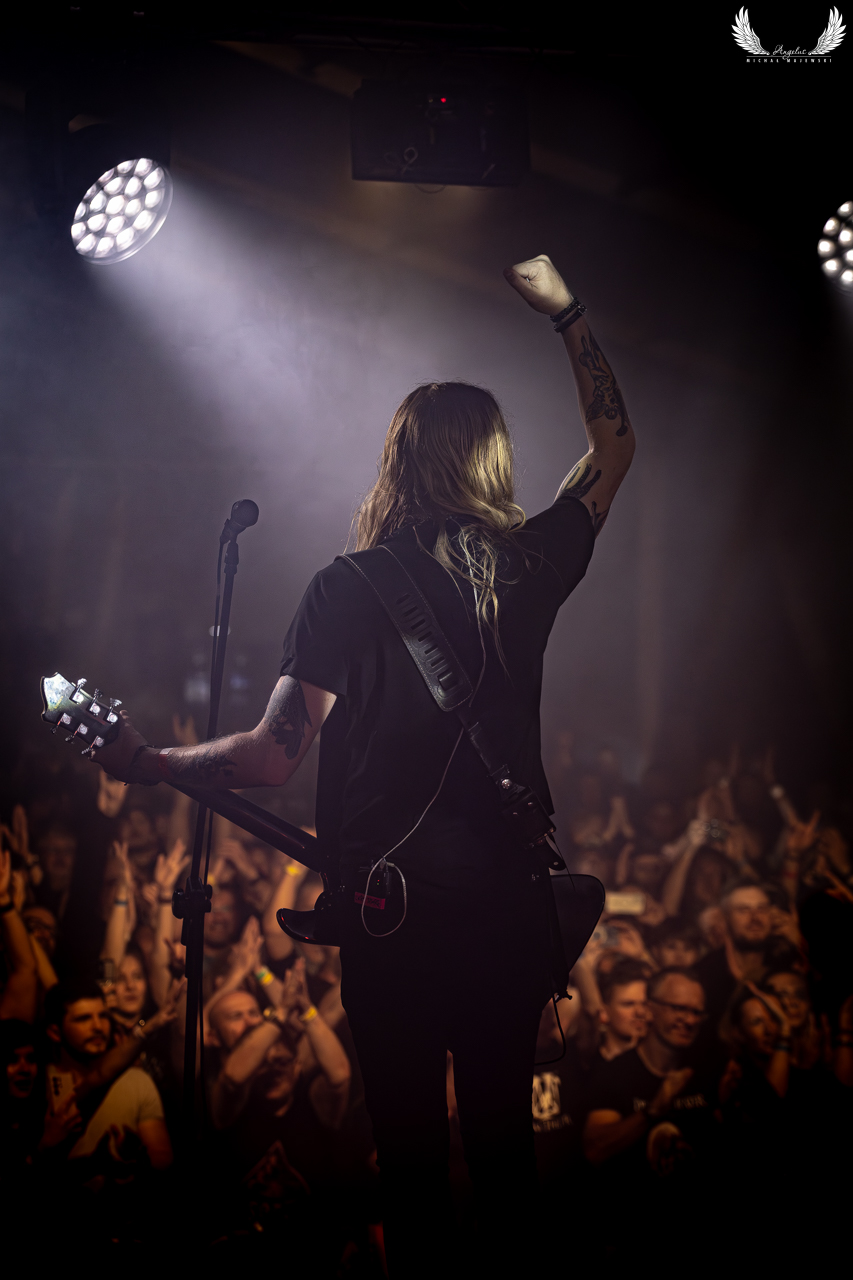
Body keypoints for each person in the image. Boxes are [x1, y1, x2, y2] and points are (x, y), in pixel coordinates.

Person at [87, 253, 635, 1276]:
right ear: (493, 462)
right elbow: (612, 445)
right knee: (505, 1162)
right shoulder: (530, 564)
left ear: (399, 461)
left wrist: (154, 757)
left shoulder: (347, 586)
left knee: (412, 1170)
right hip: (507, 915)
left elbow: (269, 757)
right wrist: (569, 314)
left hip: (396, 920)